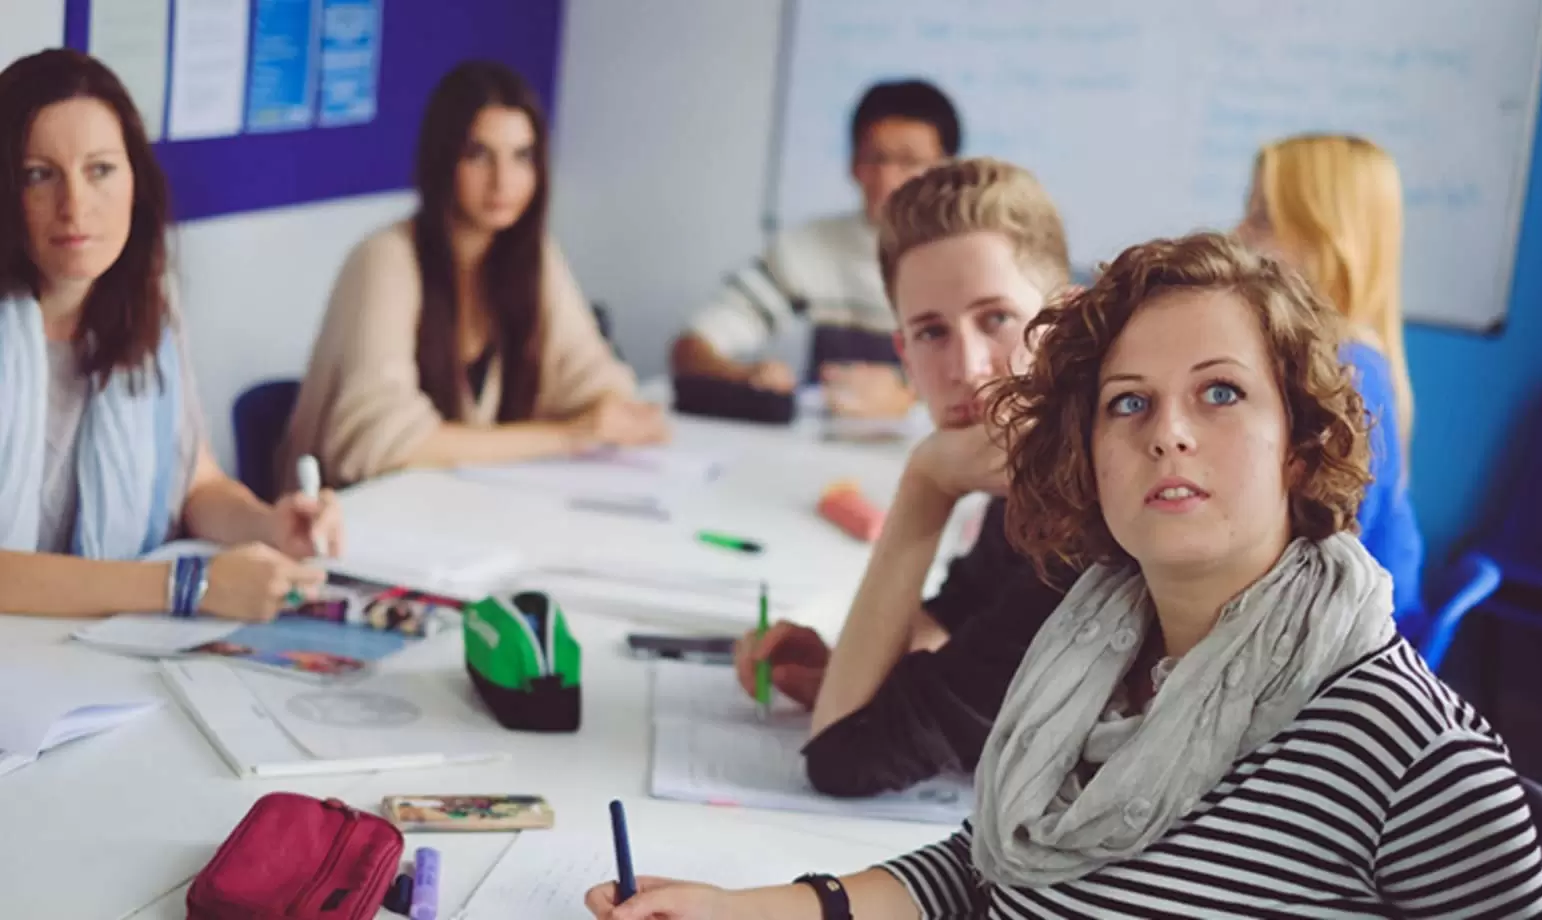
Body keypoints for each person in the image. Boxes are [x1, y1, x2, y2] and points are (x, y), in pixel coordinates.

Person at [586, 232, 1542, 919]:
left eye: (1221, 392)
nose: (1168, 430)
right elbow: (1001, 867)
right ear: (1088, 454)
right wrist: (750, 908)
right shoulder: (1092, 643)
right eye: (1127, 402)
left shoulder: (1397, 739)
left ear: (1299, 446)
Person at [731, 157, 1076, 797]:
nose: (968, 367)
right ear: (903, 354)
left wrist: (924, 485)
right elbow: (950, 625)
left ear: (1065, 318)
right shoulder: (1027, 481)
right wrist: (842, 666)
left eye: (996, 318)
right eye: (931, 332)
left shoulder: (1093, 532)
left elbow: (843, 757)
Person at [0, 49, 338, 622]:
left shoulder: (148, 310)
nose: (75, 206)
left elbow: (192, 483)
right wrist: (186, 587)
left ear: (136, 180)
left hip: (100, 657)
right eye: (40, 175)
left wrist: (268, 524)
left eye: (100, 169)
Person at [282, 61, 666, 491]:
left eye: (522, 157)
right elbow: (382, 443)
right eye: (478, 155)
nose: (503, 181)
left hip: (457, 512)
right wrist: (569, 435)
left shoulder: (533, 257)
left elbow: (591, 377)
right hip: (350, 523)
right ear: (443, 159)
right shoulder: (386, 260)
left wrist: (609, 410)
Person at [670, 79, 961, 419]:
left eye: (909, 162)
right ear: (852, 165)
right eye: (874, 158)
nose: (887, 178)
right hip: (825, 451)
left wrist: (910, 395)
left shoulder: (975, 260)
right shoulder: (812, 248)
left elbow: (1011, 380)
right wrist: (744, 377)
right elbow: (691, 347)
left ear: (948, 171)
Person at [1236, 133, 1424, 623]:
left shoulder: (1351, 380)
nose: (1237, 233)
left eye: (1262, 219)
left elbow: (1309, 563)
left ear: (1330, 242)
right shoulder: (1350, 359)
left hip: (1349, 636)